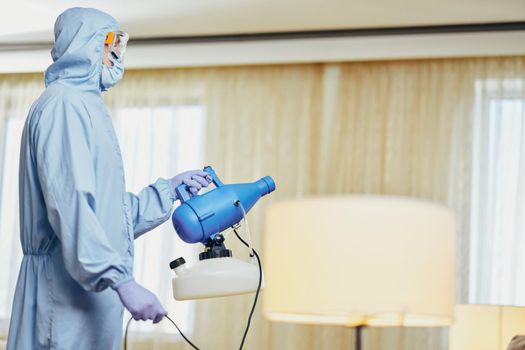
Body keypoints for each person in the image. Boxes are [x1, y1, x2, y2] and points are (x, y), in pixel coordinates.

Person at [6, 7, 212, 350]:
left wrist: (168, 190)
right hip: (65, 294)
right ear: (85, 43)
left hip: (91, 295)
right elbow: (71, 207)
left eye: (120, 44)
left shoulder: (87, 108)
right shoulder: (63, 104)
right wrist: (122, 281)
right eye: (110, 43)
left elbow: (106, 216)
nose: (117, 54)